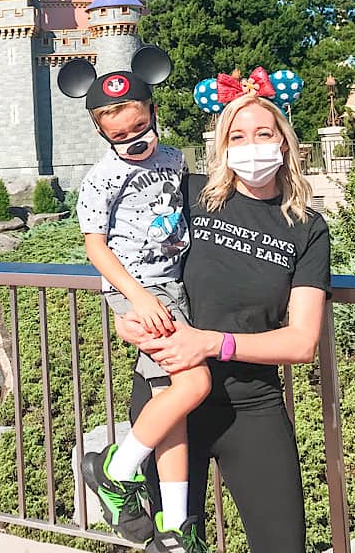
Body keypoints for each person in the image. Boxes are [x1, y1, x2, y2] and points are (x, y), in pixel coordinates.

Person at [117, 68, 330, 553]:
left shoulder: (307, 228)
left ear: (284, 141)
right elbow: (132, 266)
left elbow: (301, 342)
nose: (251, 145)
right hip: (169, 399)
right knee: (176, 545)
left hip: (252, 407)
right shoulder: (188, 197)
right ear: (222, 144)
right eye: (237, 135)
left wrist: (213, 342)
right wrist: (127, 316)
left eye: (263, 133)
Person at [58, 48, 211, 552]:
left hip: (174, 288)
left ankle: (173, 524)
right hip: (140, 292)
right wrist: (137, 297)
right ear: (102, 132)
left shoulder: (173, 158)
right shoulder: (101, 178)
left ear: (152, 113)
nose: (133, 141)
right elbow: (94, 247)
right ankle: (114, 469)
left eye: (140, 128)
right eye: (119, 135)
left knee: (174, 405)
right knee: (195, 382)